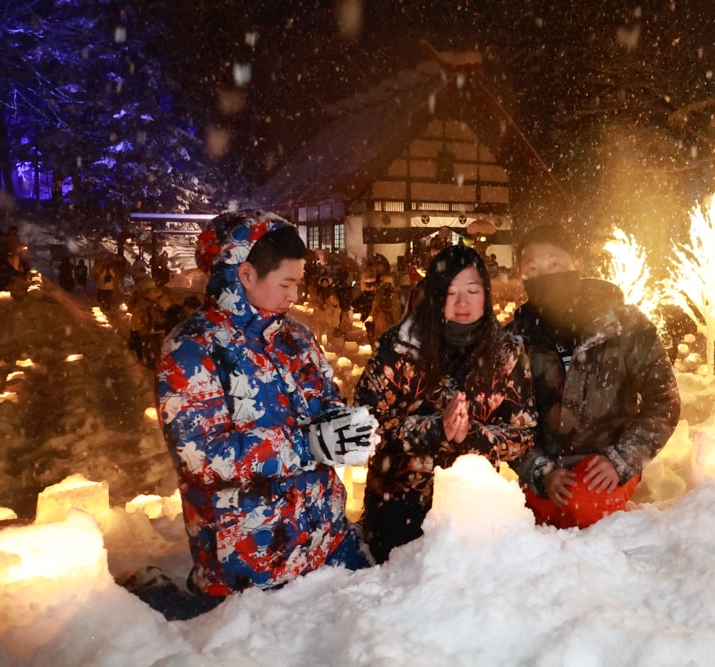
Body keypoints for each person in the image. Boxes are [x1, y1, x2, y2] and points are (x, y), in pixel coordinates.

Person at [156, 210, 378, 616]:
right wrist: (308, 444)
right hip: (251, 567)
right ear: (245, 274)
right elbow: (201, 457)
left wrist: (346, 428)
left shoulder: (296, 337)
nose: (295, 296)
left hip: (328, 541)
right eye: (286, 284)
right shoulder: (193, 348)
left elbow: (326, 400)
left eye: (299, 283)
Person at [355, 244, 537, 563]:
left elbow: (524, 433)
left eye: (472, 291)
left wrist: (473, 434)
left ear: (486, 294)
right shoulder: (399, 348)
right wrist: (434, 429)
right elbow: (365, 426)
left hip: (470, 513)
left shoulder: (506, 352)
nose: (462, 302)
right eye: (450, 292)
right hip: (398, 511)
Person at [507, 225, 681, 529]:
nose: (545, 276)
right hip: (547, 466)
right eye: (532, 269)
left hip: (604, 461)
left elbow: (664, 400)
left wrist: (621, 459)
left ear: (577, 264)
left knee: (583, 513)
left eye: (555, 264)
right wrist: (539, 470)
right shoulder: (515, 337)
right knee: (527, 522)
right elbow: (505, 415)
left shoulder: (624, 324)